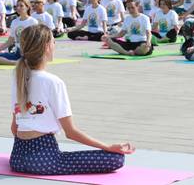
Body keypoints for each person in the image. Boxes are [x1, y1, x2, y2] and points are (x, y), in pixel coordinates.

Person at [9, 24, 134, 175]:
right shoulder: (53, 82)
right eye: (54, 41)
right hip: (43, 160)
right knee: (116, 159)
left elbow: (14, 128)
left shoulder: (18, 77)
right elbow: (71, 133)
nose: (55, 45)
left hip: (16, 158)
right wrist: (108, 147)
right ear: (47, 46)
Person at [0, 0, 37, 65]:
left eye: (21, 6)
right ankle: (14, 63)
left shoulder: (33, 22)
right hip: (17, 53)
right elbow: (10, 41)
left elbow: (36, 41)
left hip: (29, 52)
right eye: (17, 6)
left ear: (27, 7)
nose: (18, 8)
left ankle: (23, 61)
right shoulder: (14, 22)